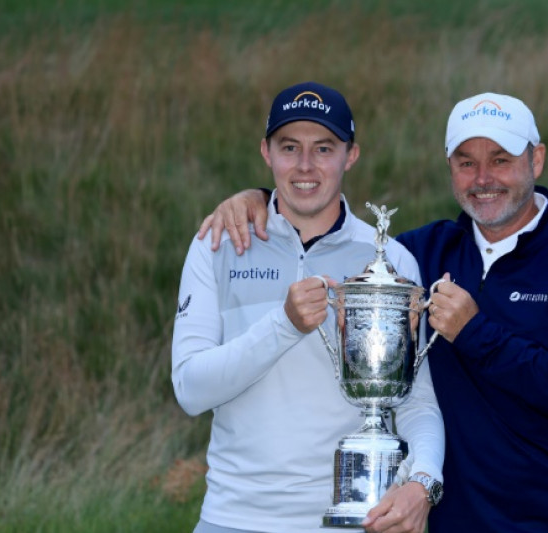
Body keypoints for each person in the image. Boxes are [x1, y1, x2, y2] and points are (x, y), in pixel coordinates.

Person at [200, 92, 548, 532]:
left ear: (536, 159)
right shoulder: (419, 254)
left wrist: (474, 333)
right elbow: (337, 228)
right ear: (450, 167)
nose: (483, 178)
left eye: (501, 159)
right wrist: (261, 201)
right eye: (466, 162)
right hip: (463, 522)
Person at [172, 81, 445, 533]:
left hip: (355, 521)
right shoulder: (218, 244)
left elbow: (416, 403)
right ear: (266, 152)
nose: (304, 166)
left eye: (323, 148)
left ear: (350, 155)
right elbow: (190, 389)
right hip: (233, 518)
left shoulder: (390, 260)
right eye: (289, 147)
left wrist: (423, 481)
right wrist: (284, 325)